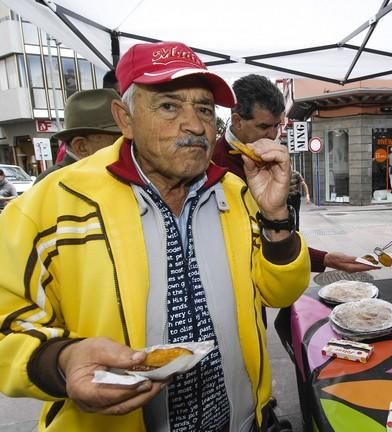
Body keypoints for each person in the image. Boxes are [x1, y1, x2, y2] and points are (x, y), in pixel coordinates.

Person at [0, 41, 310, 432]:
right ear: (124, 117)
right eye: (168, 106)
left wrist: (276, 216)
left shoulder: (237, 192)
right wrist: (61, 360)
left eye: (203, 109)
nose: (196, 125)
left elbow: (280, 294)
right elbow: (8, 321)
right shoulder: (53, 205)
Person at [214, 74, 377, 273]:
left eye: (277, 125)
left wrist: (325, 259)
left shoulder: (267, 157)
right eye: (264, 126)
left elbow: (278, 234)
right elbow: (246, 242)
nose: (273, 135)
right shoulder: (211, 164)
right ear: (238, 121)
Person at [34, 89, 122, 184]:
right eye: (117, 141)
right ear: (82, 147)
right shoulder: (53, 183)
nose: (126, 146)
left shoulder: (107, 172)